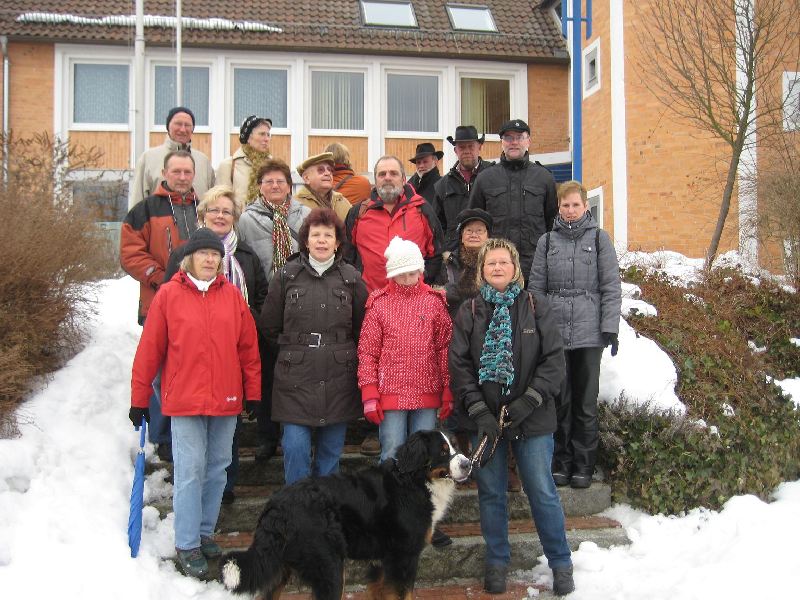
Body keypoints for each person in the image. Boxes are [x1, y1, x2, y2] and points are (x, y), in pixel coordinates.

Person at [128, 227, 261, 579]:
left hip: (226, 399)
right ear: (189, 258)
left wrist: (255, 393)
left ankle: (204, 532)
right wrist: (139, 399)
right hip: (184, 401)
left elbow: (248, 349)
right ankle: (186, 543)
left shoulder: (232, 296)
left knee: (217, 468)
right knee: (190, 471)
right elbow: (149, 351)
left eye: (216, 255)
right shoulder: (170, 295)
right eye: (204, 254)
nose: (210, 259)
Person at [449, 238, 574, 596]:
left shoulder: (535, 306)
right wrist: (478, 411)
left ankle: (561, 562)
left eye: (504, 262)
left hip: (532, 419)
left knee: (542, 491)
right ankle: (497, 561)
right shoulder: (470, 311)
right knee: (491, 493)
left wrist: (528, 401)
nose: (498, 268)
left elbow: (553, 361)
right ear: (482, 270)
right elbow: (459, 367)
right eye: (491, 264)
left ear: (516, 267)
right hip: (485, 421)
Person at [164, 184, 269, 504]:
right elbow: (169, 308)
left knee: (229, 429)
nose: (220, 216)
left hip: (232, 356)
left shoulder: (246, 255)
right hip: (191, 362)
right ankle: (194, 495)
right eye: (214, 210)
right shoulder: (181, 256)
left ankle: (224, 486)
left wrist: (245, 316)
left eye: (227, 211)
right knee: (193, 440)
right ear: (202, 215)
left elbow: (263, 297)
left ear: (235, 218)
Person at [259, 208, 368, 485]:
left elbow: (363, 328)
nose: (321, 240)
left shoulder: (351, 278)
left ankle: (324, 515)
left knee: (330, 455)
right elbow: (269, 327)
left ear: (337, 242)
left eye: (328, 235)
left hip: (338, 379)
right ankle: (297, 511)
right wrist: (295, 351)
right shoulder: (286, 276)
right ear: (305, 240)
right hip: (294, 380)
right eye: (315, 235)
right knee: (295, 449)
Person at [356, 236, 453, 547]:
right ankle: (391, 518)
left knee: (427, 459)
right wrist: (370, 393)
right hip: (392, 392)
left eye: (414, 272)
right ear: (391, 274)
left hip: (427, 391)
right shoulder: (379, 304)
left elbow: (444, 350)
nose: (409, 279)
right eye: (402, 274)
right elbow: (368, 352)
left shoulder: (435, 303)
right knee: (392, 454)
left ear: (422, 270)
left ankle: (425, 519)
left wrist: (448, 389)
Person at [529, 180, 621, 489]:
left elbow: (610, 286)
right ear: (559, 207)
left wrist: (610, 327)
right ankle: (561, 462)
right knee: (560, 401)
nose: (570, 211)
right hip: (555, 333)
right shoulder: (547, 241)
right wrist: (537, 327)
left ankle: (584, 464)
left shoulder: (599, 239)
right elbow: (536, 289)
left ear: (585, 207)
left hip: (589, 334)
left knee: (585, 403)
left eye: (576, 205)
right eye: (565, 205)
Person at [120, 149, 200, 461]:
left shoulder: (202, 207)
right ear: (164, 174)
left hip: (198, 307)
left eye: (187, 172)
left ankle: (187, 425)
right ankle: (161, 434)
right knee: (159, 369)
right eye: (176, 172)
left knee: (188, 367)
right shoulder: (144, 210)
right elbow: (130, 253)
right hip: (157, 302)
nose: (182, 178)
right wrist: (159, 276)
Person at [237, 159, 310, 460]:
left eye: (280, 181)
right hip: (265, 305)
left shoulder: (305, 215)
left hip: (300, 305)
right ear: (259, 187)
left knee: (298, 373)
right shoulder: (246, 219)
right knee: (267, 373)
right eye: (268, 181)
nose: (275, 186)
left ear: (290, 186)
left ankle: (299, 433)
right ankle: (267, 436)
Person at [469, 119, 557, 281]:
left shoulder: (544, 178)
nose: (514, 142)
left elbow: (553, 223)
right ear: (502, 143)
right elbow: (474, 224)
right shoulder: (485, 179)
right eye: (509, 138)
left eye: (519, 137)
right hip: (496, 267)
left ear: (528, 141)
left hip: (535, 268)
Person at [345, 155, 444, 292]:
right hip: (370, 301)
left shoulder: (422, 209)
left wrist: (422, 278)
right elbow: (347, 256)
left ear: (403, 179)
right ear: (375, 181)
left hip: (413, 300)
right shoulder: (358, 213)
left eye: (393, 173)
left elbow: (436, 254)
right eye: (382, 174)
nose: (387, 177)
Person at [128, 106, 214, 208]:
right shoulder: (148, 158)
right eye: (178, 124)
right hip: (159, 222)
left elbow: (213, 201)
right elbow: (137, 201)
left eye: (187, 125)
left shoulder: (203, 161)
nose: (183, 129)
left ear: (193, 129)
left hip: (196, 223)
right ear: (168, 126)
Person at [434, 125, 494, 251]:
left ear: (479, 148)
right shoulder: (442, 185)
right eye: (462, 147)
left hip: (489, 253)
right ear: (456, 151)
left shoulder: (495, 176)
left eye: (471, 146)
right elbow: (437, 226)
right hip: (454, 257)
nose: (466, 151)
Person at [441, 208, 492, 319]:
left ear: (488, 237)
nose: (474, 235)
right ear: (462, 237)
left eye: (479, 231)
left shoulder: (496, 263)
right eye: (469, 230)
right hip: (455, 323)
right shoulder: (448, 263)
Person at [216, 115, 273, 207]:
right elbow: (221, 202)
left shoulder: (273, 165)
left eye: (268, 135)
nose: (266, 139)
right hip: (239, 220)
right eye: (262, 134)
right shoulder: (229, 165)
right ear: (248, 138)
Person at [295, 152, 352, 222]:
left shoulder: (342, 201)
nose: (328, 173)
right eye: (321, 170)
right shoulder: (296, 204)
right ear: (306, 178)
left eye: (330, 170)